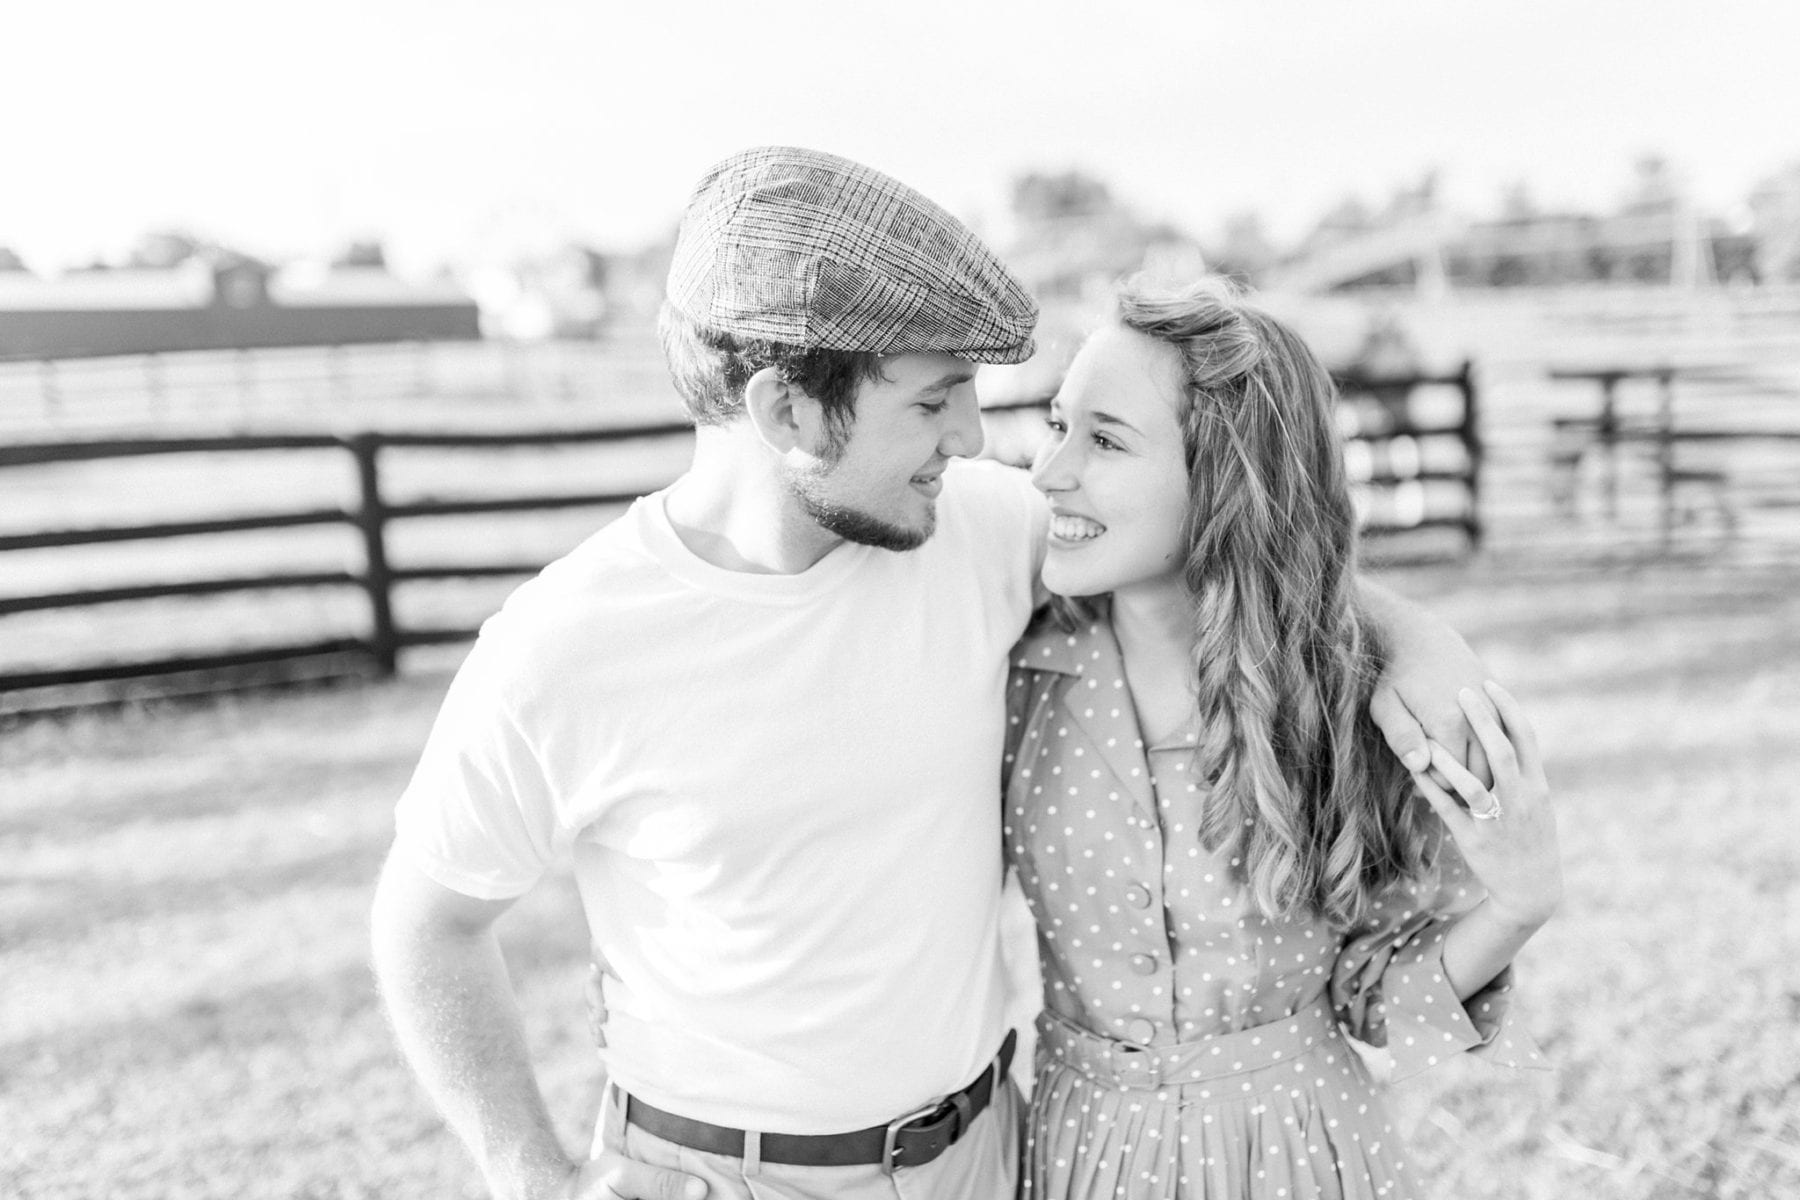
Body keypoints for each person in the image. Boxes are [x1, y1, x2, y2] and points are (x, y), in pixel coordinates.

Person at [370, 146, 1512, 1200]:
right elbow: (426, 925)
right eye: (931, 400)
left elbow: (1230, 540)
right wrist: (530, 1177)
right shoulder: (564, 646)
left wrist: (1422, 643)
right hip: (717, 1176)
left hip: (986, 1156)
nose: (975, 439)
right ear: (787, 409)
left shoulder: (978, 530)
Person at [1005, 278, 1562, 1200]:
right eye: (1059, 426)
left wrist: (1519, 903)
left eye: (1103, 440)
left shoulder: (1348, 700)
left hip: (1304, 1154)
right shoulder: (1017, 673)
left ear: (1225, 473)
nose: (1048, 471)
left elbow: (1382, 1008)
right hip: (1080, 1156)